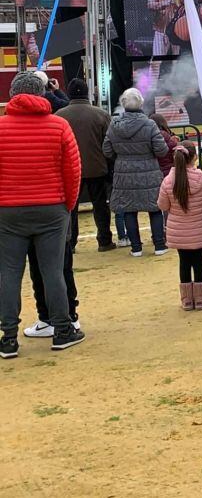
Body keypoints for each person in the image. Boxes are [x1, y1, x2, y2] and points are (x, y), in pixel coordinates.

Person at [0, 71, 84, 359]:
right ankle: (62, 329)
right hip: (52, 208)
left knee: (9, 273)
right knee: (53, 270)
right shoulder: (59, 126)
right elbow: (73, 171)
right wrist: (67, 206)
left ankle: (8, 336)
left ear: (12, 94)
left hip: (8, 210)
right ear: (43, 93)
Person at [104, 88, 169, 257]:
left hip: (123, 172)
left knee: (128, 210)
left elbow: (107, 150)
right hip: (149, 173)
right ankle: (159, 245)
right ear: (141, 103)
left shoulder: (114, 125)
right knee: (155, 209)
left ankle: (136, 248)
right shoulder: (150, 124)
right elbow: (162, 150)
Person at [158, 141, 202, 311]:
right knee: (199, 261)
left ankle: (186, 299)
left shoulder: (168, 181)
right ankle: (199, 298)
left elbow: (162, 206)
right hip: (199, 228)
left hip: (178, 230)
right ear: (194, 157)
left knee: (184, 262)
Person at [55, 79, 113, 251]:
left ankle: (70, 242)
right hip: (97, 168)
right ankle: (104, 241)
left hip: (70, 169)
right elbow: (109, 143)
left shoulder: (59, 116)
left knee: (70, 208)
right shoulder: (101, 114)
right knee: (101, 205)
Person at [149, 113, 180, 181]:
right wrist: (174, 142)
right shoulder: (164, 134)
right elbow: (172, 147)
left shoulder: (148, 135)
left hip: (154, 170)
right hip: (167, 169)